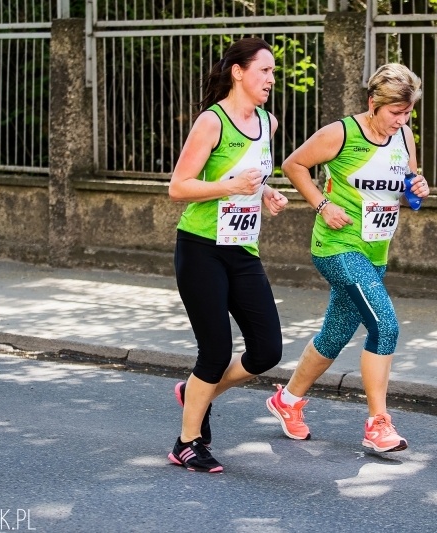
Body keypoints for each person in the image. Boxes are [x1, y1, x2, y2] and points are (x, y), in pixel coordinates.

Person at [265, 63, 428, 453]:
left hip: (375, 251)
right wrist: (322, 205)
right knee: (384, 326)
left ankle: (287, 401)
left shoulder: (404, 136)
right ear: (373, 103)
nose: (402, 120)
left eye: (407, 113)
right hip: (337, 246)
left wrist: (418, 188)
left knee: (335, 335)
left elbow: (407, 191)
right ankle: (378, 424)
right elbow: (293, 164)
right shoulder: (341, 133)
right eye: (395, 112)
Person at [167, 37, 288, 473]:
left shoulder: (268, 122)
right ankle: (187, 442)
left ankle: (195, 394)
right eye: (264, 70)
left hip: (242, 249)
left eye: (273, 72)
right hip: (201, 248)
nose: (271, 79)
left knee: (267, 350)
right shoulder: (212, 122)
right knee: (216, 351)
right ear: (238, 72)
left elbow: (252, 175)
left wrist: (266, 192)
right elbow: (178, 187)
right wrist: (230, 187)